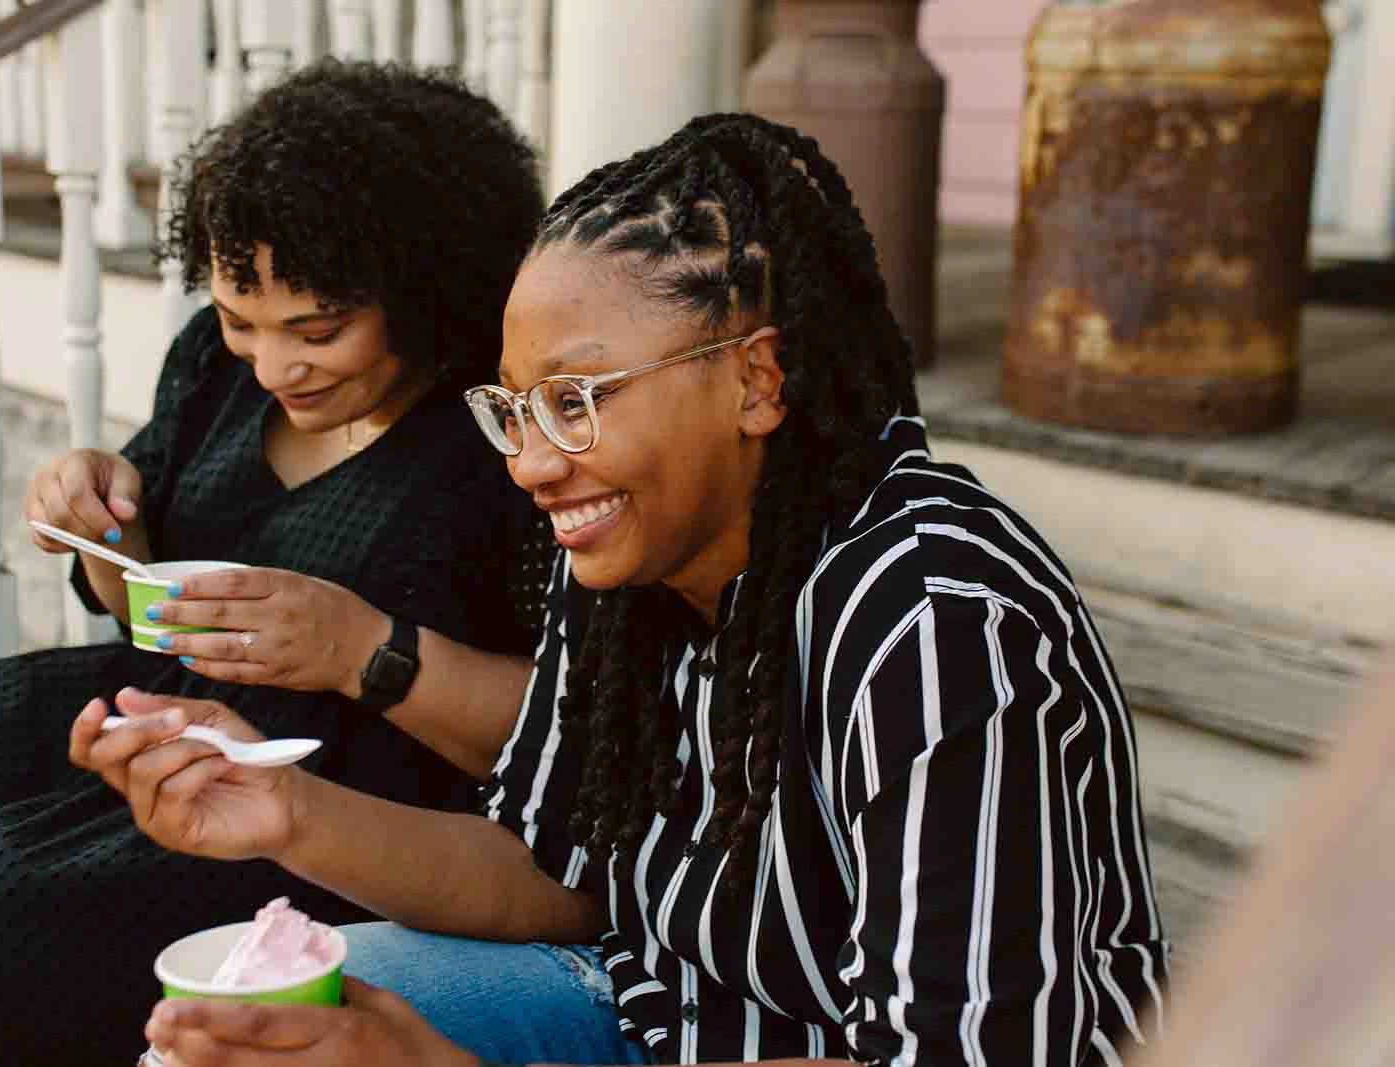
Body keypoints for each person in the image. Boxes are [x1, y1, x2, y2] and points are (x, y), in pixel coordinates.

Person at [74, 113, 1171, 1066]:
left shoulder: (932, 623)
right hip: (662, 1018)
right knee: (239, 1033)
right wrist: (285, 813)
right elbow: (555, 875)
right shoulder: (621, 560)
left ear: (757, 378)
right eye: (515, 409)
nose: (533, 462)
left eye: (578, 397)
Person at [0, 62, 551, 1067]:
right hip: (160, 710)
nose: (275, 367)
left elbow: (560, 735)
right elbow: (141, 609)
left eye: (318, 329)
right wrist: (99, 532)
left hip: (332, 796)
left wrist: (361, 652)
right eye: (244, 318)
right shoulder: (211, 366)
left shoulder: (501, 441)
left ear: (429, 287)